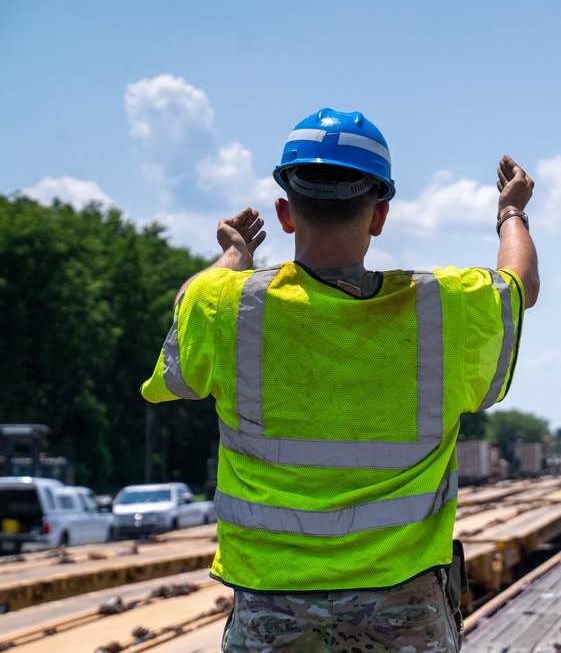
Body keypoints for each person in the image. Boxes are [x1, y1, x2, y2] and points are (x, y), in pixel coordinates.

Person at [140, 107, 539, 652]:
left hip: (271, 604)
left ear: (285, 212)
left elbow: (189, 301)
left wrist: (234, 254)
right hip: (403, 605)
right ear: (379, 215)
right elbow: (518, 284)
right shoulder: (440, 309)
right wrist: (511, 213)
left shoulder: (225, 307)